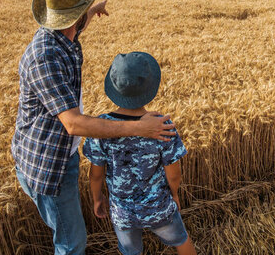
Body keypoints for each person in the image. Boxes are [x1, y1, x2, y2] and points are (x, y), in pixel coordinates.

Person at [12, 0, 176, 255]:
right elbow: (73, 124)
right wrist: (138, 127)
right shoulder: (45, 58)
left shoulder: (63, 35)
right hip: (50, 164)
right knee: (72, 243)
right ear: (71, 19)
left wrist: (92, 10)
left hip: (62, 154)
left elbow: (75, 24)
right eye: (81, 13)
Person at [84, 52, 196, 255]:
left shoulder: (100, 127)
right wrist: (175, 195)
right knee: (181, 240)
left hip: (122, 212)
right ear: (149, 88)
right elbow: (174, 173)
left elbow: (96, 174)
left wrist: (97, 198)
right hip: (159, 206)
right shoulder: (162, 125)